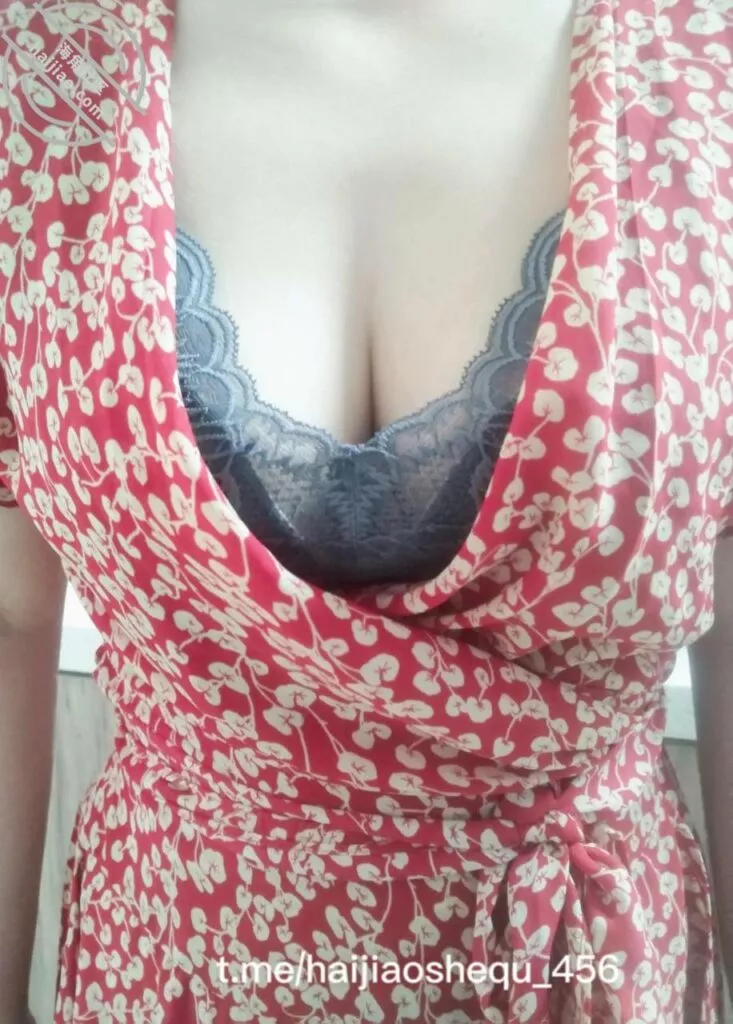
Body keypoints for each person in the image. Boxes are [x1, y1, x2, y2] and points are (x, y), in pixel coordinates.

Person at [0, 0, 732, 1021]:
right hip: (177, 964)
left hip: (575, 972)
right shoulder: (37, 79)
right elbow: (12, 615)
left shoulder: (707, 67)